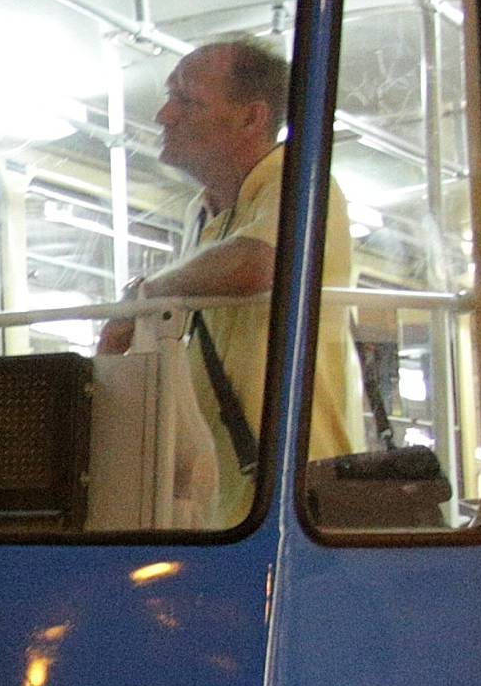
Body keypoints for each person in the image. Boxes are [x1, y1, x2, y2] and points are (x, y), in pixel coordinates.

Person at [99, 40, 355, 522]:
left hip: (297, 500)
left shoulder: (300, 182)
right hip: (223, 502)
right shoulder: (201, 215)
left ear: (251, 119)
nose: (163, 114)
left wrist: (144, 297)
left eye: (187, 100)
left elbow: (259, 264)